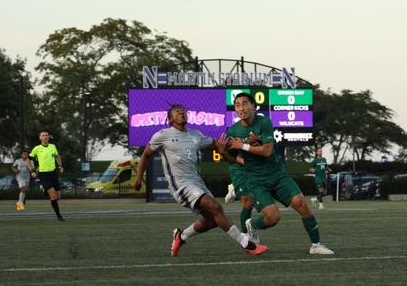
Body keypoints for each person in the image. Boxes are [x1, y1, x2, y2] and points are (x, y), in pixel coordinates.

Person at [132, 104, 268, 257]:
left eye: (183, 111)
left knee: (212, 220)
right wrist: (138, 178)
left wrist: (241, 145)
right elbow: (145, 155)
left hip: (197, 183)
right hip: (181, 185)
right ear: (170, 119)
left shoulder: (195, 135)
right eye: (177, 112)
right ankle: (247, 244)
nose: (182, 112)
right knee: (216, 207)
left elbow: (217, 145)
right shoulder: (162, 135)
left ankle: (181, 236)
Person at [224, 92, 334, 255]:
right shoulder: (233, 130)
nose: (241, 108)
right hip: (256, 180)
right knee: (273, 218)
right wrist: (223, 151)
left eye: (245, 103)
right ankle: (252, 225)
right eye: (238, 105)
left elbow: (267, 151)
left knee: (301, 203)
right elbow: (232, 158)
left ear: (254, 106)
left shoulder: (264, 122)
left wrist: (244, 146)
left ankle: (316, 245)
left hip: (277, 174)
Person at [28, 131, 65, 221]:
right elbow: (28, 160)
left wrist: (60, 166)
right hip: (43, 174)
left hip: (53, 173)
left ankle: (46, 191)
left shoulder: (53, 146)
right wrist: (32, 171)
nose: (45, 137)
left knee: (58, 196)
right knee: (53, 196)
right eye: (43, 135)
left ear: (49, 137)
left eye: (46, 135)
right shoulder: (37, 148)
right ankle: (59, 216)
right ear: (40, 138)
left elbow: (57, 157)